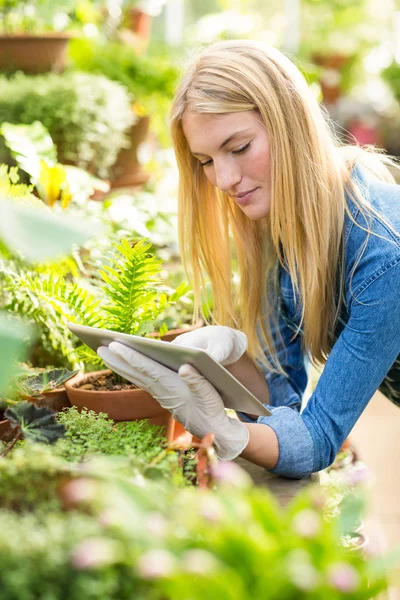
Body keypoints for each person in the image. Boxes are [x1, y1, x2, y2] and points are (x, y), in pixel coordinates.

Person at [98, 40, 400, 479]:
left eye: (238, 148)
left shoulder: (383, 257)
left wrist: (222, 430)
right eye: (205, 160)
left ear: (291, 124)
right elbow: (280, 404)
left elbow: (315, 442)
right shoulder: (279, 223)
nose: (224, 179)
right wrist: (228, 361)